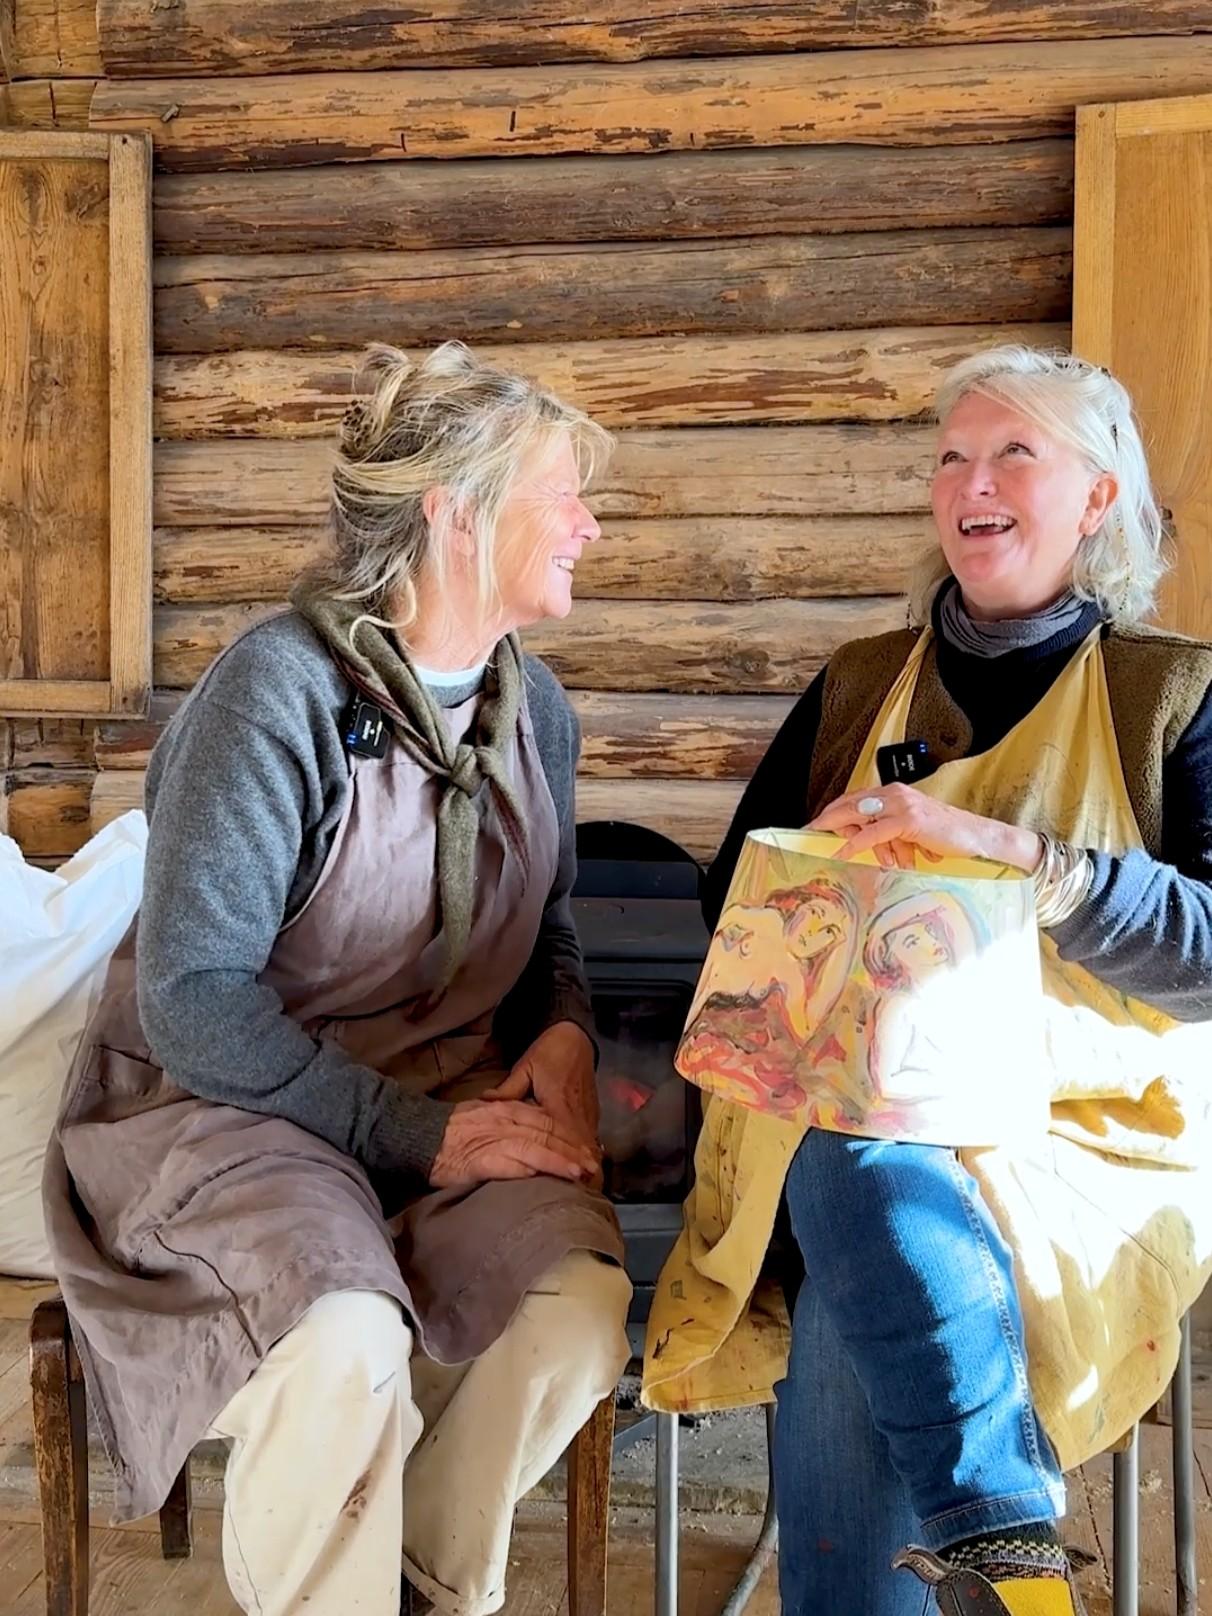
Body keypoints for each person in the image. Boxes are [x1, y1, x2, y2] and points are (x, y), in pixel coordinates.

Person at [43, 341, 633, 1616]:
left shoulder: (536, 715)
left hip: (428, 1113)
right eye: (562, 492)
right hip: (220, 1113)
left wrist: (568, 1032)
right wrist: (416, 1131)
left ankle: (418, 1584)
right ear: (455, 511)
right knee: (346, 1331)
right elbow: (193, 996)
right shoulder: (280, 693)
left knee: (575, 1306)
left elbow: (547, 934)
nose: (588, 523)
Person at [643, 346, 1212, 1616]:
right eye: (952, 455)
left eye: (1015, 452)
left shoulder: (1172, 693)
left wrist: (1022, 860)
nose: (973, 480)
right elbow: (727, 895)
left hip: (1082, 1140)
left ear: (1099, 496)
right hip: (848, 1113)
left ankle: (984, 1552)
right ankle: (1007, 1552)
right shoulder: (858, 682)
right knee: (861, 1154)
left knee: (854, 1189)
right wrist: (813, 881)